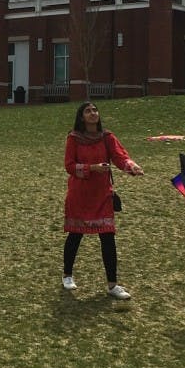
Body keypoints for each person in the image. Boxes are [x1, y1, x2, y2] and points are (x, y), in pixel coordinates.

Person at [62, 101, 144, 300]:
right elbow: (70, 166)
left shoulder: (107, 137)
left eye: (95, 110)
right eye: (88, 111)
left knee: (108, 238)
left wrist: (131, 166)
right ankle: (67, 274)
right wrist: (92, 168)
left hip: (102, 195)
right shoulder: (73, 138)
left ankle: (112, 285)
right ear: (81, 117)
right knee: (75, 234)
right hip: (80, 195)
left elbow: (120, 156)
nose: (93, 113)